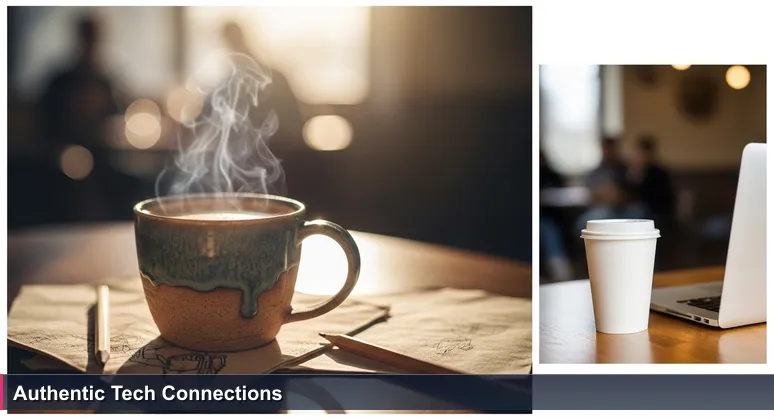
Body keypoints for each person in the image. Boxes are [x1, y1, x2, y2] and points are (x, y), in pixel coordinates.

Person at [39, 16, 120, 150]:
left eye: (94, 40)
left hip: (101, 156)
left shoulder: (105, 83)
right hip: (63, 154)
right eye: (88, 39)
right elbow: (47, 127)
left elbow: (113, 123)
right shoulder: (60, 82)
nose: (91, 46)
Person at [220, 21, 303, 144]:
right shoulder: (229, 83)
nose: (232, 49)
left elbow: (293, 120)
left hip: (278, 147)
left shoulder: (274, 78)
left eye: (234, 42)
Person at [575, 136, 645, 233]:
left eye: (611, 148)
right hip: (602, 208)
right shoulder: (596, 172)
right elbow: (592, 194)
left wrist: (616, 195)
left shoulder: (625, 170)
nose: (608, 151)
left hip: (624, 209)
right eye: (605, 148)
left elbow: (628, 194)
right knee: (584, 223)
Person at [626, 134, 676, 224]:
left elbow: (645, 196)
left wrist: (637, 175)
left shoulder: (659, 173)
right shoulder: (638, 171)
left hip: (656, 213)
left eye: (639, 152)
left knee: (629, 217)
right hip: (643, 210)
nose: (636, 156)